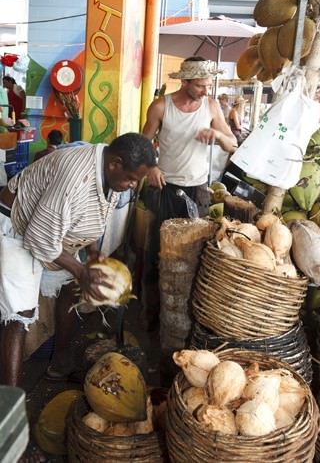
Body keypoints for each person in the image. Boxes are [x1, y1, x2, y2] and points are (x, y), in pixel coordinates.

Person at [0, 132, 156, 387]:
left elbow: (92, 211)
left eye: (136, 181)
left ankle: (59, 363)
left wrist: (92, 251)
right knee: (19, 316)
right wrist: (81, 271)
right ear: (115, 163)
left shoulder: (111, 172)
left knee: (70, 289)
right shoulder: (74, 179)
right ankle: (10, 402)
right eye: (130, 179)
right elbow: (40, 239)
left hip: (52, 228)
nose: (131, 185)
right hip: (19, 225)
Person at [140, 56, 237, 332]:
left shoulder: (211, 106)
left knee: (195, 256)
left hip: (197, 192)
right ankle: (151, 319)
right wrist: (151, 167)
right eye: (200, 86)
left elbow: (233, 144)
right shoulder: (162, 106)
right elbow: (143, 144)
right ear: (184, 81)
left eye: (208, 85)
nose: (206, 90)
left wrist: (216, 136)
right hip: (165, 189)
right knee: (157, 255)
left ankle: (191, 319)